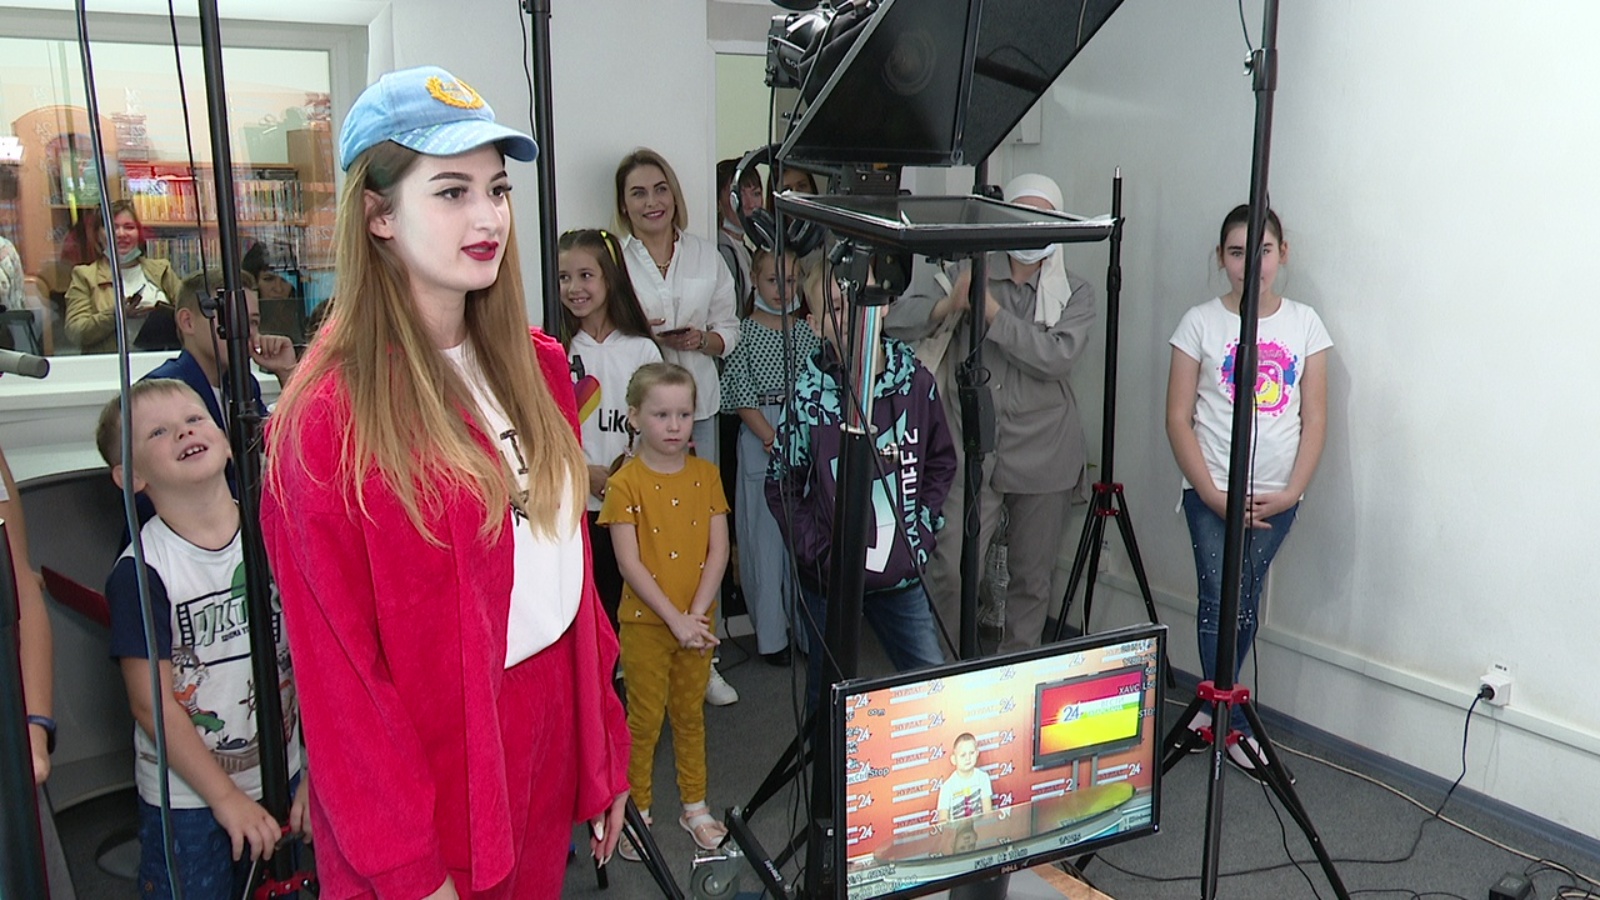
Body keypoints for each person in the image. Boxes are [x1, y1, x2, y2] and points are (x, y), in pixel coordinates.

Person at [259, 65, 630, 898]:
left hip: (542, 728)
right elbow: (342, 683)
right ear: (379, 214)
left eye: (496, 190)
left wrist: (601, 743)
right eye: (452, 192)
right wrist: (410, 871)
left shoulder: (537, 365)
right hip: (429, 771)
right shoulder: (327, 423)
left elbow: (567, 575)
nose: (488, 217)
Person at [96, 379, 308, 900]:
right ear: (131, 477)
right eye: (159, 432)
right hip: (189, 802)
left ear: (227, 440)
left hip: (285, 776)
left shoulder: (277, 531)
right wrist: (225, 798)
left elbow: (313, 658)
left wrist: (315, 774)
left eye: (194, 419)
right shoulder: (143, 571)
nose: (184, 432)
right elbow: (151, 704)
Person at [886, 173, 1097, 654]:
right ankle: (943, 668)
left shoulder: (1076, 292)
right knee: (951, 567)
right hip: (969, 446)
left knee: (1030, 579)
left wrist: (993, 314)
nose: (1032, 227)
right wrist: (950, 304)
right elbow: (895, 321)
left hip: (1046, 450)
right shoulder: (968, 271)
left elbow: (1056, 357)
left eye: (1044, 217)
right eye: (1023, 215)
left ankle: (1016, 677)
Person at [1165, 204, 1329, 779]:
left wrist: (1291, 492)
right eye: (1237, 253)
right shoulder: (1199, 323)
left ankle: (1213, 711)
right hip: (1210, 492)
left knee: (1244, 597)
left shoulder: (1306, 324)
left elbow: (1315, 419)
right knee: (1218, 595)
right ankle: (1227, 721)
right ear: (1221, 259)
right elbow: (1178, 418)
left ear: (1283, 254)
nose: (1251, 264)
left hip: (1276, 498)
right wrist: (1212, 494)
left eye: (1263, 251)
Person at [769, 267, 955, 711]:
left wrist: (919, 534)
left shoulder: (916, 383)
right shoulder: (808, 398)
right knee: (827, 696)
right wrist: (818, 553)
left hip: (900, 578)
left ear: (884, 305)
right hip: (830, 582)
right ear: (814, 324)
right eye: (835, 308)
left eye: (860, 303)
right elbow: (782, 484)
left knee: (931, 683)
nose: (850, 317)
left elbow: (941, 461)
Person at [614, 147, 741, 706]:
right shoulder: (616, 259)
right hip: (642, 415)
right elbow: (604, 325)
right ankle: (646, 658)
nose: (652, 202)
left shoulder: (706, 254)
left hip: (698, 409)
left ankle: (703, 656)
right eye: (639, 193)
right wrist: (644, 333)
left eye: (660, 189)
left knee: (700, 535)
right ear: (624, 204)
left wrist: (702, 341)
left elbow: (729, 328)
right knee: (647, 535)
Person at [599, 363, 732, 856]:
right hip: (647, 625)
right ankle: (637, 812)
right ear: (634, 416)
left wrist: (694, 616)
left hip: (698, 624)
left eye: (684, 414)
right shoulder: (625, 483)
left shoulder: (706, 475)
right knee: (644, 721)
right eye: (661, 415)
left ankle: (695, 805)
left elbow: (719, 549)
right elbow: (628, 562)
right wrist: (675, 620)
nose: (675, 426)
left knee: (690, 715)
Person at [559, 227, 662, 629]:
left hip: (630, 504)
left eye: (585, 275)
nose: (574, 288)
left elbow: (659, 426)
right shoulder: (555, 348)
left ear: (610, 278)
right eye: (564, 277)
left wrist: (624, 476)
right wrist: (582, 474)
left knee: (628, 612)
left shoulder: (641, 349)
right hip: (573, 507)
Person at [719, 249, 819, 666]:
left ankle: (807, 631)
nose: (782, 289)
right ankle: (772, 636)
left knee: (804, 538)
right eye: (773, 280)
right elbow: (741, 393)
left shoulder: (809, 332)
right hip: (762, 429)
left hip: (803, 430)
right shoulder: (743, 334)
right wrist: (771, 436)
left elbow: (820, 383)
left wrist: (801, 435)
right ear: (755, 280)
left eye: (790, 281)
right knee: (763, 538)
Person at [64, 199, 183, 354]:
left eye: (129, 227)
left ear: (138, 233)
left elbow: (190, 315)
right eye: (112, 227)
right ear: (98, 235)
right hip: (111, 364)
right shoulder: (85, 276)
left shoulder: (162, 270)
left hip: (162, 360)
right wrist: (117, 314)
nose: (121, 234)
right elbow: (76, 333)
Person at [714, 157, 762, 309]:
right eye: (739, 195)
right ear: (718, 201)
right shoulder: (722, 250)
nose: (750, 204)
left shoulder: (747, 250)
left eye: (756, 193)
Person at [935, 733, 992, 824]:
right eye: (963, 755)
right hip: (957, 832)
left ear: (977, 753)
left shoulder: (983, 778)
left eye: (971, 753)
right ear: (954, 760)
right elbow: (943, 821)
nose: (968, 758)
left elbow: (988, 813)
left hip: (981, 829)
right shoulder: (947, 787)